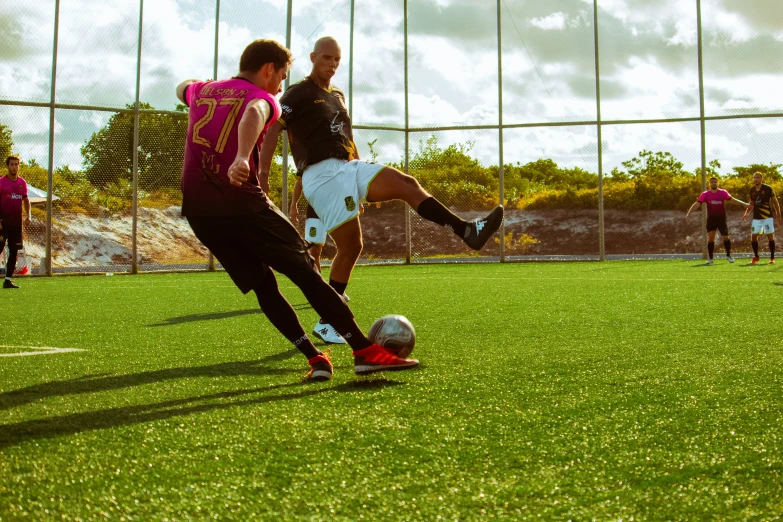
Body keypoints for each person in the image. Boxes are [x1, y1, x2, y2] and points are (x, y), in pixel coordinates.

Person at [176, 38, 418, 381]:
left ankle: (315, 358)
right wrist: (243, 156)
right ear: (267, 70)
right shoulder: (264, 99)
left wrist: (197, 87)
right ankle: (364, 351)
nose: (279, 87)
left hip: (200, 212)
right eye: (280, 76)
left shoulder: (202, 91)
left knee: (264, 285)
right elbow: (254, 113)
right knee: (307, 271)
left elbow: (181, 86)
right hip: (242, 203)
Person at [260, 36, 504, 344]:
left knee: (406, 183)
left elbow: (347, 138)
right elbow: (272, 130)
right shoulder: (297, 93)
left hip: (348, 170)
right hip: (320, 175)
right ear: (313, 57)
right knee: (351, 247)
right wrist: (263, 173)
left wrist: (360, 180)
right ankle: (328, 322)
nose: (332, 64)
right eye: (326, 58)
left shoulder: (337, 96)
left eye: (336, 59)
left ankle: (468, 231)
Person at [685, 176, 746, 264]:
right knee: (711, 239)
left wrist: (743, 204)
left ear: (718, 183)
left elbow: (731, 200)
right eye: (712, 182)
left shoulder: (723, 192)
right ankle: (711, 259)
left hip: (721, 219)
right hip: (711, 219)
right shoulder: (705, 194)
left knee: (726, 237)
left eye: (715, 182)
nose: (714, 183)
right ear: (709, 184)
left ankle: (728, 255)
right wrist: (689, 213)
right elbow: (697, 204)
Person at [0, 155, 31, 289]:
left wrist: (28, 215)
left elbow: (25, 200)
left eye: (16, 164)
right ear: (8, 166)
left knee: (14, 250)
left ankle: (7, 280)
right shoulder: (1, 182)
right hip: (2, 222)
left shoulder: (22, 183)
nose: (14, 167)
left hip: (16, 223)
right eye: (12, 164)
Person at [742, 172, 781, 265]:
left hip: (767, 217)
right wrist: (746, 213)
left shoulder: (768, 189)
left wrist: (778, 215)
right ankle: (756, 256)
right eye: (754, 177)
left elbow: (775, 202)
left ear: (761, 179)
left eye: (758, 177)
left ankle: (772, 258)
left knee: (770, 236)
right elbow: (751, 203)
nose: (756, 179)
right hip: (756, 218)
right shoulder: (752, 190)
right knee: (754, 236)